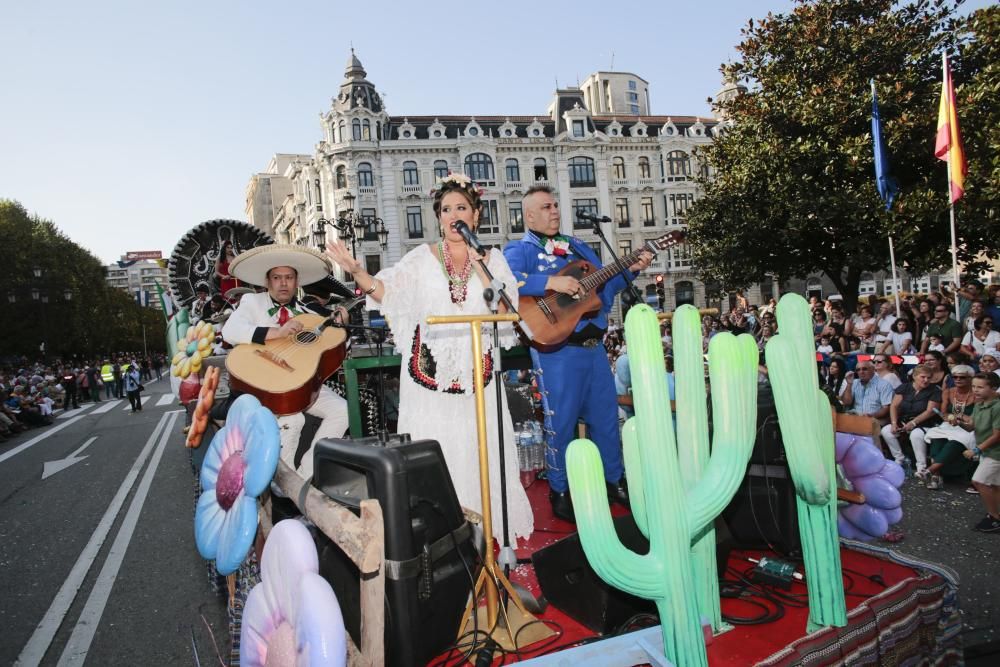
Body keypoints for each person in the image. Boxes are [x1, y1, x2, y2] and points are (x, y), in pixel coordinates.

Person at [325, 173, 533, 542]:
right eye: (446, 209)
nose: (453, 215)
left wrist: (480, 263)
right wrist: (357, 270)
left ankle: (487, 536)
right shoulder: (420, 259)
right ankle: (440, 537)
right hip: (428, 380)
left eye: (461, 208)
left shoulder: (493, 259)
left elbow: (505, 312)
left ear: (476, 214)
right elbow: (388, 293)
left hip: (477, 379)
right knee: (435, 449)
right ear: (438, 216)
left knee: (477, 448)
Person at [503, 185, 653, 523]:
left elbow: (606, 287)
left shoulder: (578, 246)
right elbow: (506, 282)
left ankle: (613, 481)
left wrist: (634, 268)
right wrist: (550, 283)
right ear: (529, 216)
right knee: (562, 424)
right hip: (558, 351)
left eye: (555, 205)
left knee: (606, 421)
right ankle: (561, 489)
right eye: (545, 207)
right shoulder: (521, 249)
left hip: (594, 349)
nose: (554, 211)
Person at [222, 244, 351, 482]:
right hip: (260, 384)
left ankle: (301, 477)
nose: (283, 283)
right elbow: (230, 331)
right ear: (268, 282)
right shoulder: (252, 302)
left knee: (343, 410)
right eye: (277, 278)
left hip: (296, 385)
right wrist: (276, 332)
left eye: (289, 278)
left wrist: (341, 326)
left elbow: (328, 352)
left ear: (297, 282)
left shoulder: (307, 313)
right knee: (294, 418)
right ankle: (282, 480)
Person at [881, 364, 942, 479]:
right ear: (914, 376)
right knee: (887, 430)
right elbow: (894, 406)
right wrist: (894, 423)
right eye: (923, 377)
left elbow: (930, 411)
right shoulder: (905, 387)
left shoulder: (935, 390)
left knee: (916, 434)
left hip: (925, 422)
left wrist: (913, 423)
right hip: (904, 420)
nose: (926, 380)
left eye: (929, 378)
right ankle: (900, 459)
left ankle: (921, 467)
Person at [922, 365, 978, 490]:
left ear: (971, 378)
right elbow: (943, 413)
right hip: (949, 425)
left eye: (962, 377)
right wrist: (948, 418)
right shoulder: (948, 391)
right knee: (936, 437)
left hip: (967, 427)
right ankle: (936, 476)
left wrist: (960, 418)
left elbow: (976, 417)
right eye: (955, 377)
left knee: (956, 441)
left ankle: (930, 470)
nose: (958, 379)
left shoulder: (976, 394)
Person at [962, 373, 1000, 533]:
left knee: (979, 481)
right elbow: (972, 426)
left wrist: (977, 450)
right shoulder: (979, 404)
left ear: (993, 388)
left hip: (996, 452)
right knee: (996, 485)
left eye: (980, 387)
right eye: (974, 386)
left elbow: (997, 435)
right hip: (988, 451)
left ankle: (994, 517)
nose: (975, 390)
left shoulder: (998, 407)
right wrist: (958, 422)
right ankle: (996, 515)